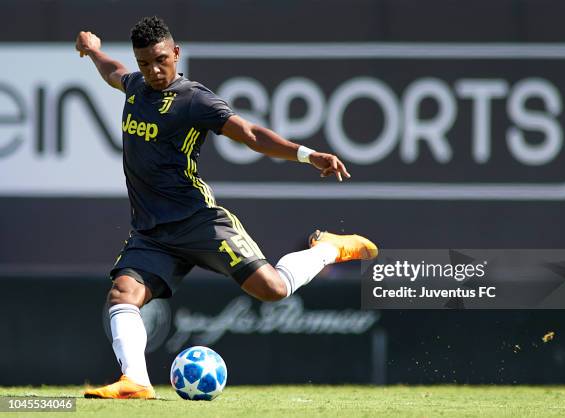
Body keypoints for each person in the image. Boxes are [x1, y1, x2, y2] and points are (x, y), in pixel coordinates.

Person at [76, 16, 377, 399]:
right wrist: (93, 51)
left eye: (161, 59)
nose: (153, 70)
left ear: (176, 53)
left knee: (273, 289)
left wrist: (307, 155)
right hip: (152, 233)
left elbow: (250, 134)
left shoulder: (193, 99)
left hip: (199, 222)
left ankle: (329, 248)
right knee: (122, 294)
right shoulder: (135, 86)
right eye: (144, 62)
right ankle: (135, 381)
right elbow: (113, 71)